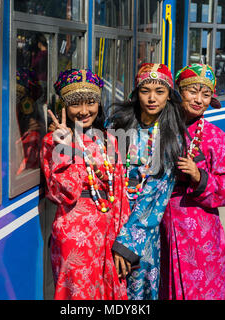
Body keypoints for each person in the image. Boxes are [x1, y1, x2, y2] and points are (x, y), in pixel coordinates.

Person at [40, 68, 131, 300]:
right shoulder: (53, 141)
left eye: (90, 103)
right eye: (75, 104)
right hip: (75, 238)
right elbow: (63, 193)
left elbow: (119, 191)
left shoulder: (108, 139)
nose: (83, 111)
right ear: (64, 107)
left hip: (110, 235)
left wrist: (124, 241)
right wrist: (65, 148)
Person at [159, 63, 225, 300]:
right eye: (192, 92)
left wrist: (199, 177)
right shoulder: (158, 127)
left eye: (205, 94)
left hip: (202, 236)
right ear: (179, 91)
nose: (199, 100)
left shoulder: (216, 138)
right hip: (161, 227)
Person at [109, 63, 186, 300]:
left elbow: (157, 195)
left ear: (169, 96)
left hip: (142, 234)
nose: (152, 98)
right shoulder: (116, 127)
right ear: (135, 94)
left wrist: (125, 243)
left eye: (159, 92)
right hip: (110, 222)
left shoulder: (172, 139)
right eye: (145, 91)